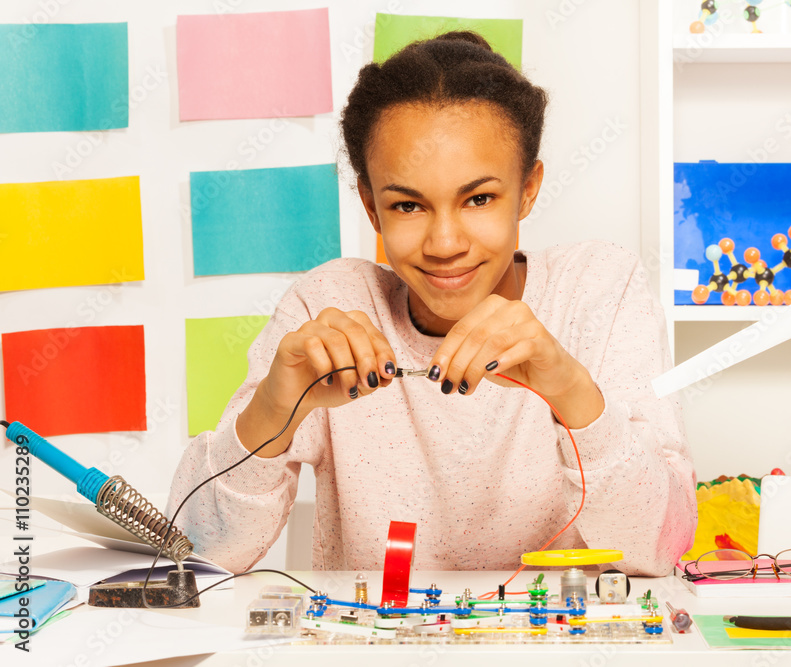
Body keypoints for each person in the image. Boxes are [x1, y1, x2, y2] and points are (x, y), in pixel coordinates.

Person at [167, 31, 696, 576]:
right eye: (408, 205)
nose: (445, 244)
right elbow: (191, 554)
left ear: (529, 188)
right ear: (372, 209)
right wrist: (273, 411)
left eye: (480, 198)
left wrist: (568, 387)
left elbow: (662, 549)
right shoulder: (330, 304)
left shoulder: (597, 289)